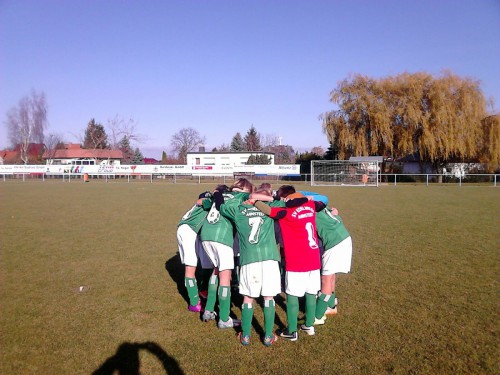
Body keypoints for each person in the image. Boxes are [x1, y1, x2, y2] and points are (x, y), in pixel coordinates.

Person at [253, 190, 325, 341]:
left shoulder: (287, 212)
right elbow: (323, 202)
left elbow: (268, 210)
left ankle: (292, 331)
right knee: (311, 293)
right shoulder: (311, 206)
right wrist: (307, 197)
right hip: (313, 257)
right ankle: (309, 325)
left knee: (292, 295)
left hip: (297, 260)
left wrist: (254, 202)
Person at [216, 187, 281, 346]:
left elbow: (221, 206)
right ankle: (267, 336)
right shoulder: (271, 209)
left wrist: (218, 194)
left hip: (248, 259)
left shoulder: (238, 210)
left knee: (248, 297)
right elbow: (287, 200)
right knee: (268, 297)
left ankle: (245, 336)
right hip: (269, 259)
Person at [199, 178, 254, 329]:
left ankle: (209, 310)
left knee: (216, 271)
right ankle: (224, 318)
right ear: (245, 190)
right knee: (225, 276)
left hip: (206, 234)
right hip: (221, 236)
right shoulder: (241, 196)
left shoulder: (225, 194)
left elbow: (203, 202)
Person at [176, 191, 214, 313]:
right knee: (190, 267)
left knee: (205, 262)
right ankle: (194, 303)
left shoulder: (199, 208)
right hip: (188, 232)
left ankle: (203, 291)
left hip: (190, 231)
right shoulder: (205, 203)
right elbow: (203, 202)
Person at [314, 205, 352, 323]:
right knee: (331, 275)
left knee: (325, 279)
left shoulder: (310, 211)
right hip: (343, 237)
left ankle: (317, 317)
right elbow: (334, 211)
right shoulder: (321, 206)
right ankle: (331, 306)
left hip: (334, 243)